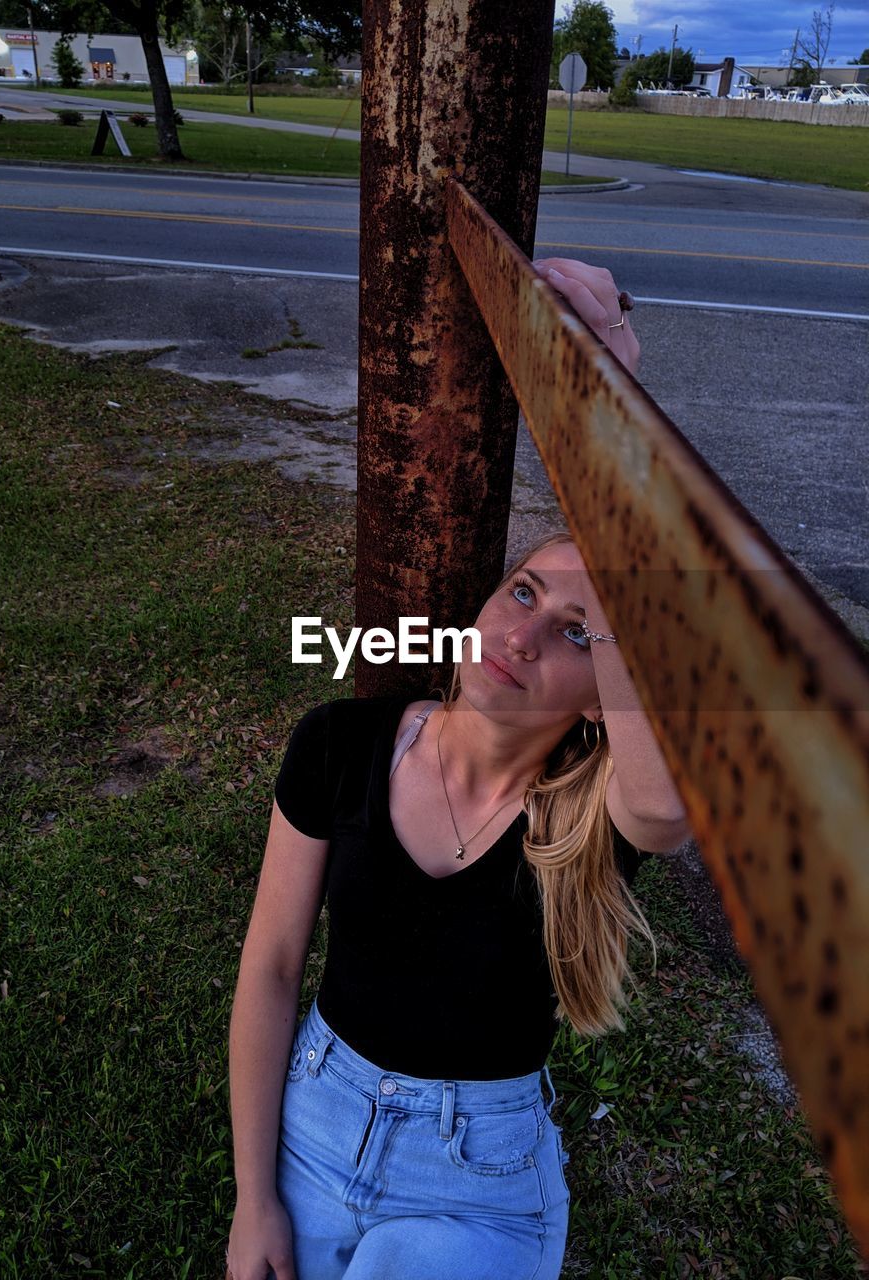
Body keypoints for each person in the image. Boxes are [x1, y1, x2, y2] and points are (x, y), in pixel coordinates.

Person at [224, 259, 691, 1280]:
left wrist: (605, 427)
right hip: (314, 1121)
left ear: (602, 695)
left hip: (476, 1176)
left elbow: (666, 808)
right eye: (522, 590)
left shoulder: (589, 816)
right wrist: (253, 1195)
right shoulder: (341, 744)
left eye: (578, 630)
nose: (521, 633)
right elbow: (269, 967)